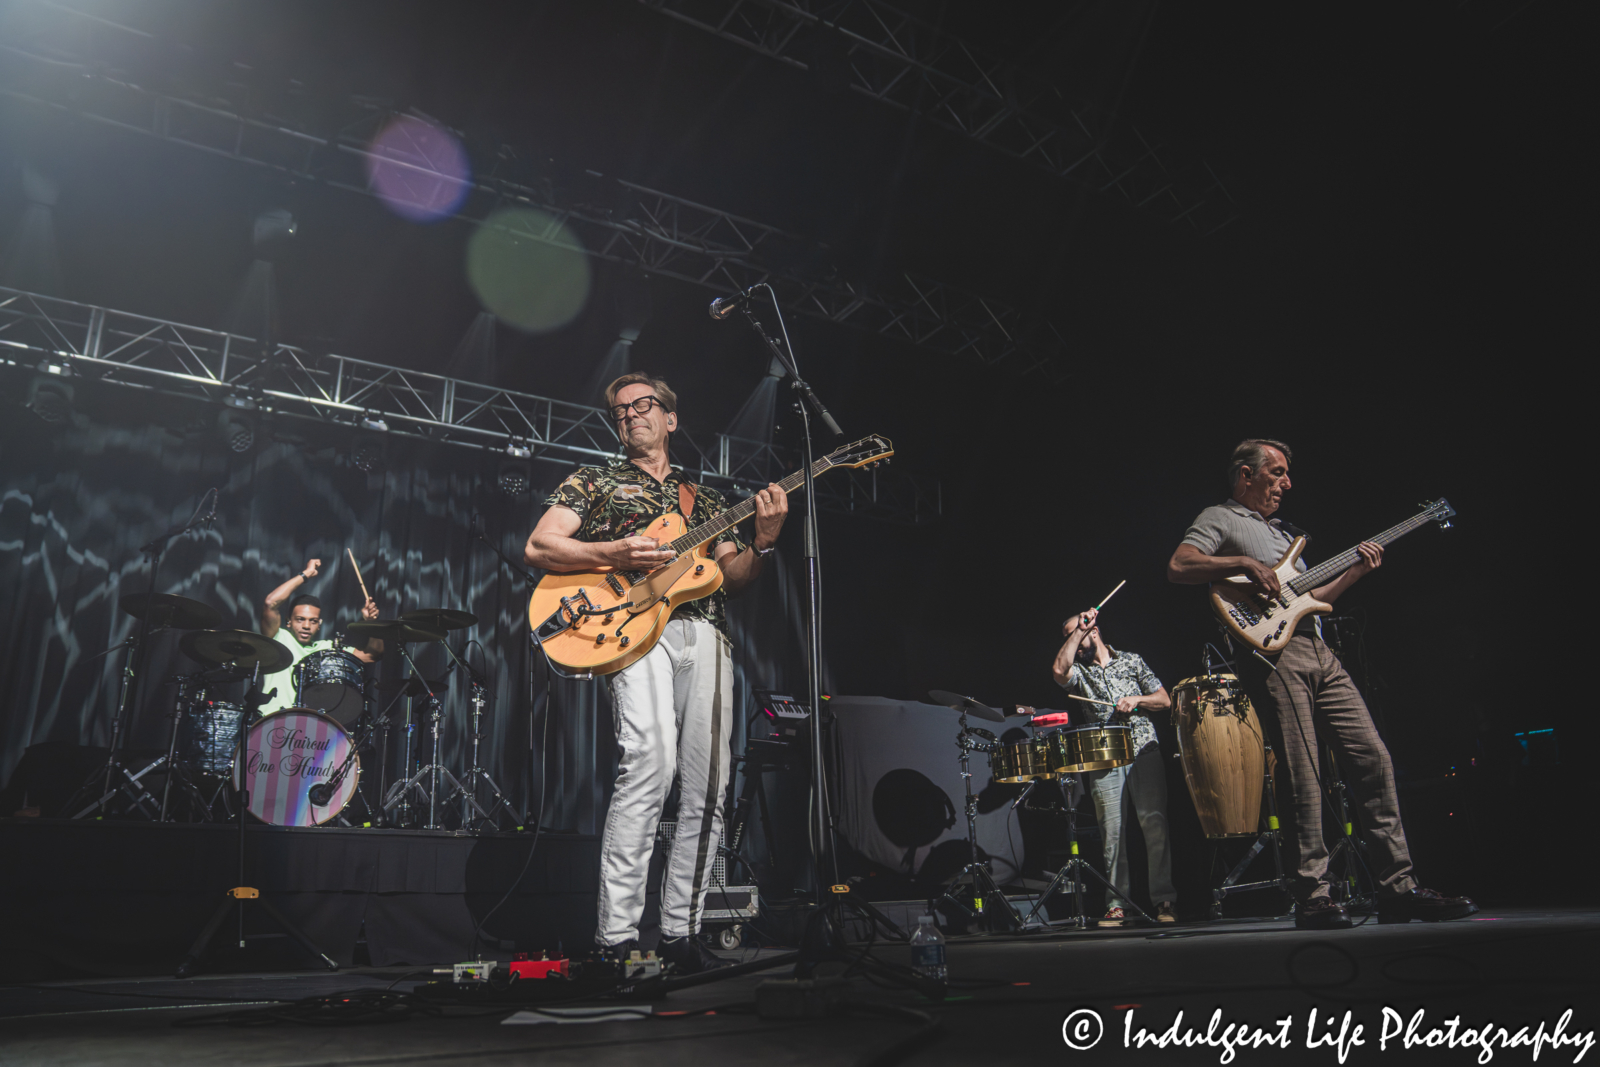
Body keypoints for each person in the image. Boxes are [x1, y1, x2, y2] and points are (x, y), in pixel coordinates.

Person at [524, 373, 788, 974]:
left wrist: (765, 542)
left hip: (707, 634)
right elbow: (540, 548)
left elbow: (737, 578)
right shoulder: (593, 481)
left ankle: (680, 933)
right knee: (649, 764)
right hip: (632, 632)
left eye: (644, 406)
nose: (631, 415)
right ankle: (615, 938)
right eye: (620, 411)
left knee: (709, 786)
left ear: (670, 418)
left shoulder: (709, 500)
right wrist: (612, 552)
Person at [1167, 438, 1476, 929]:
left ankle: (1398, 889)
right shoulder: (1221, 517)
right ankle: (1313, 897)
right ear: (1245, 475)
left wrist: (1356, 570)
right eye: (1277, 473)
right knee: (1301, 772)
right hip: (1272, 657)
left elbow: (1311, 598)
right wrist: (1244, 563)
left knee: (1371, 758)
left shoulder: (1285, 534)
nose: (1287, 483)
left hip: (1318, 649)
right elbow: (1180, 566)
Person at [1051, 609, 1176, 925]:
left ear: (1095, 631)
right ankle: (1117, 904)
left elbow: (1164, 699)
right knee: (1111, 833)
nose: (1075, 643)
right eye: (1070, 638)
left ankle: (1164, 901)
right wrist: (1076, 631)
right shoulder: (1080, 673)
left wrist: (1136, 699)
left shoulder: (1131, 661)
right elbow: (1058, 669)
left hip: (1143, 749)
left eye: (1078, 636)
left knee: (1154, 824)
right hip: (1104, 756)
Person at [259, 558, 382, 718]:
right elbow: (270, 603)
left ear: (319, 624)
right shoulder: (278, 637)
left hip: (311, 729)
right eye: (300, 619)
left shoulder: (327, 648)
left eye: (313, 621)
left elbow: (373, 655)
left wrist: (372, 623)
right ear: (288, 622)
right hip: (272, 721)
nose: (306, 626)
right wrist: (306, 574)